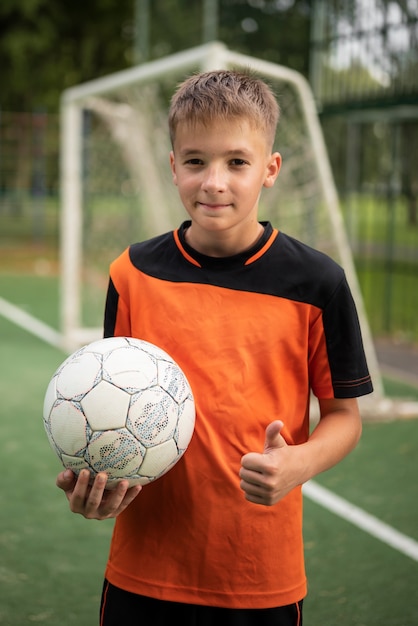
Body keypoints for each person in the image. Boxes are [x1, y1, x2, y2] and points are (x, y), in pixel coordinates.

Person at [56, 69, 373, 626]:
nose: (214, 182)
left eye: (237, 162)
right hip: (144, 567)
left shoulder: (318, 283)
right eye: (196, 161)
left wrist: (298, 462)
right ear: (173, 165)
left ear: (270, 169)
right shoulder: (132, 273)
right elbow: (112, 410)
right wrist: (99, 480)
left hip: (260, 574)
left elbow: (345, 416)